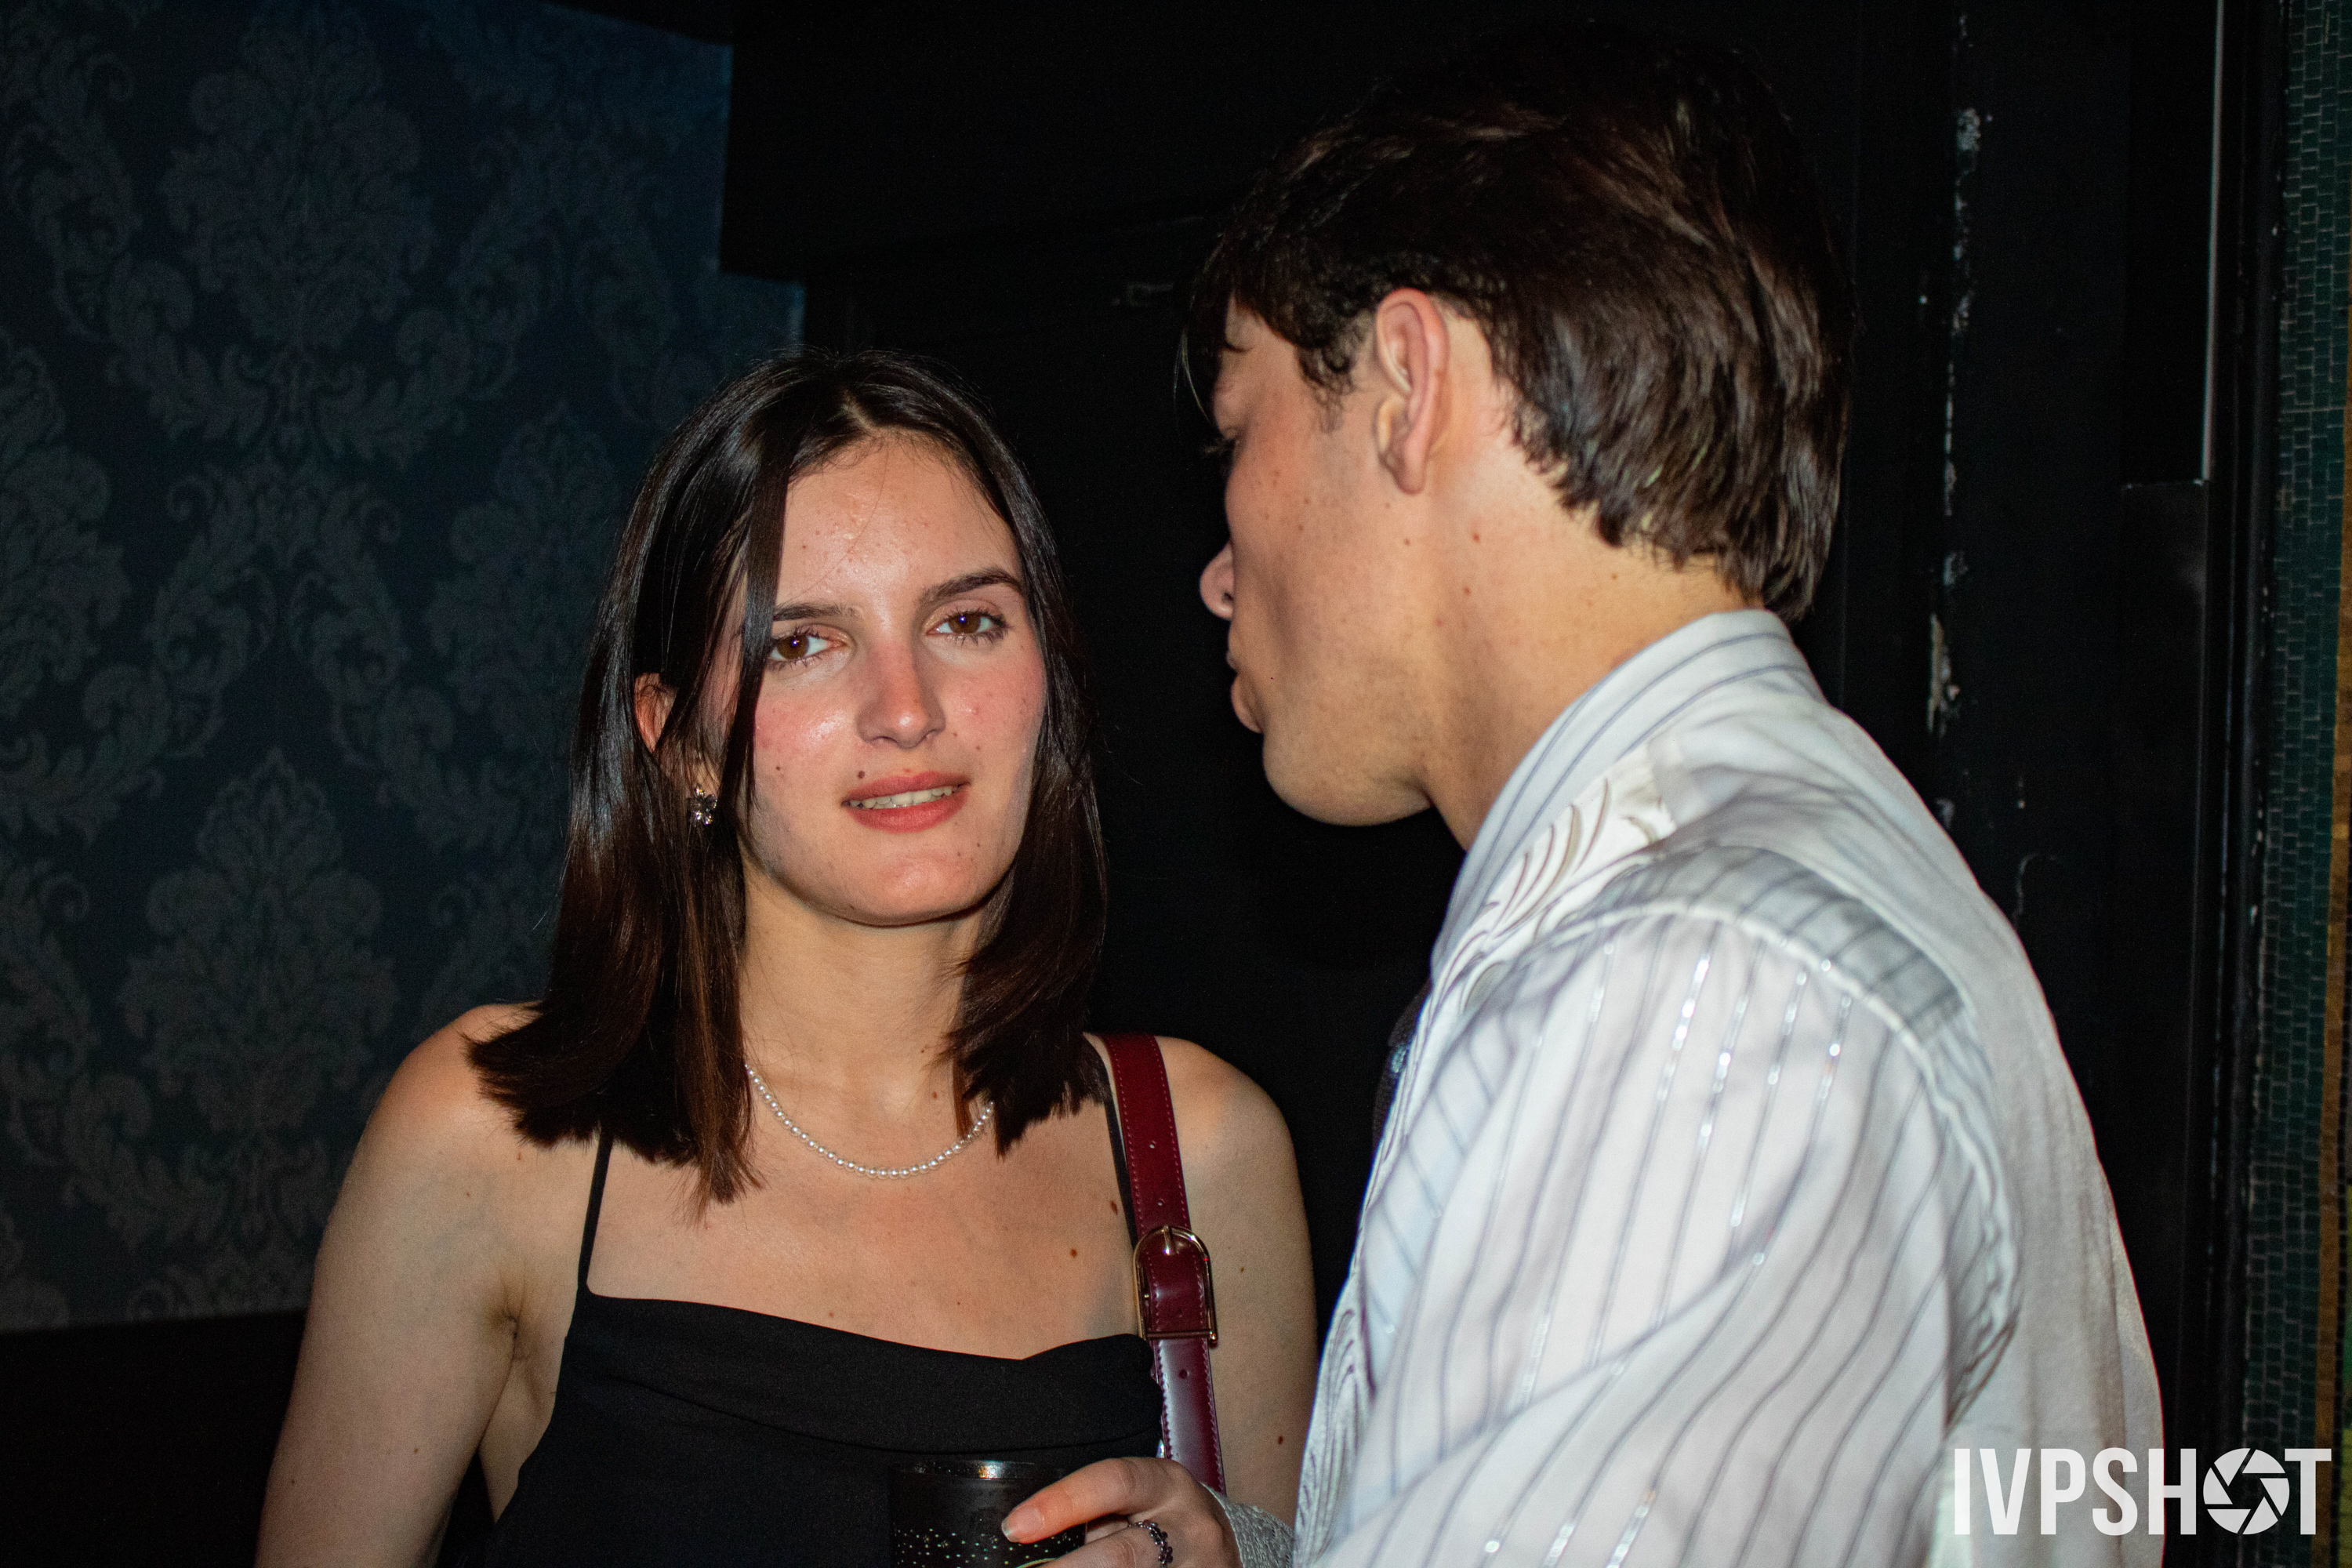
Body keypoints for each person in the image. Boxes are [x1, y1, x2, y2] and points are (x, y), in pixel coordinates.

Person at [1009, 22, 2159, 1568]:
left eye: (1240, 431)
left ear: (1407, 385)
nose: (1220, 568)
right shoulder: (1785, 892)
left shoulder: (1700, 985)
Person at [258, 350, 1317, 1566]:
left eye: (967, 622)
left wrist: (1228, 1555)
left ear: (1049, 680)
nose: (907, 708)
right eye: (803, 643)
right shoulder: (498, 1135)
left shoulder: (1198, 1149)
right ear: (678, 743)